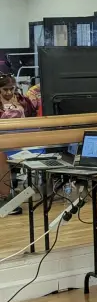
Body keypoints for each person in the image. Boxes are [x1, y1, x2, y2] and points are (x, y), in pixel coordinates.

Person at [0, 74, 36, 215]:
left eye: (11, 89)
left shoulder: (22, 100)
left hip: (21, 138)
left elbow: (31, 118)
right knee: (1, 155)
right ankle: (4, 197)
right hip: (2, 140)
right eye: (5, 90)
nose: (9, 93)